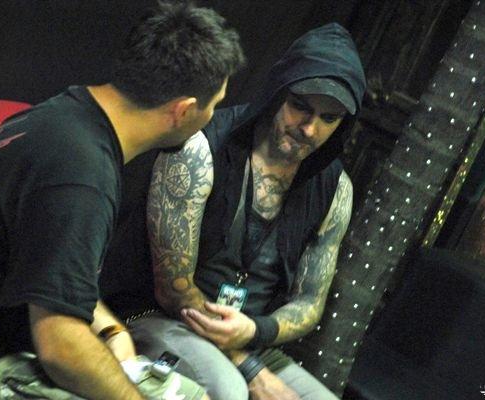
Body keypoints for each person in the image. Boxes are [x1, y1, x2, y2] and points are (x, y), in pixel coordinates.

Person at [0, 2, 244, 399]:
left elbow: (55, 272)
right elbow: (61, 346)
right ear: (184, 110)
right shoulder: (82, 176)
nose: (212, 116)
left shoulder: (62, 116)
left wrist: (110, 329)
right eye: (214, 104)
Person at [100, 23, 365, 400]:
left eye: (329, 118)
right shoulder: (199, 149)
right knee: (231, 391)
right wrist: (250, 367)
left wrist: (257, 332)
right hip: (158, 318)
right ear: (279, 92)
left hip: (250, 339)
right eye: (301, 107)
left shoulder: (336, 188)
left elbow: (309, 303)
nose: (309, 129)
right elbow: (172, 291)